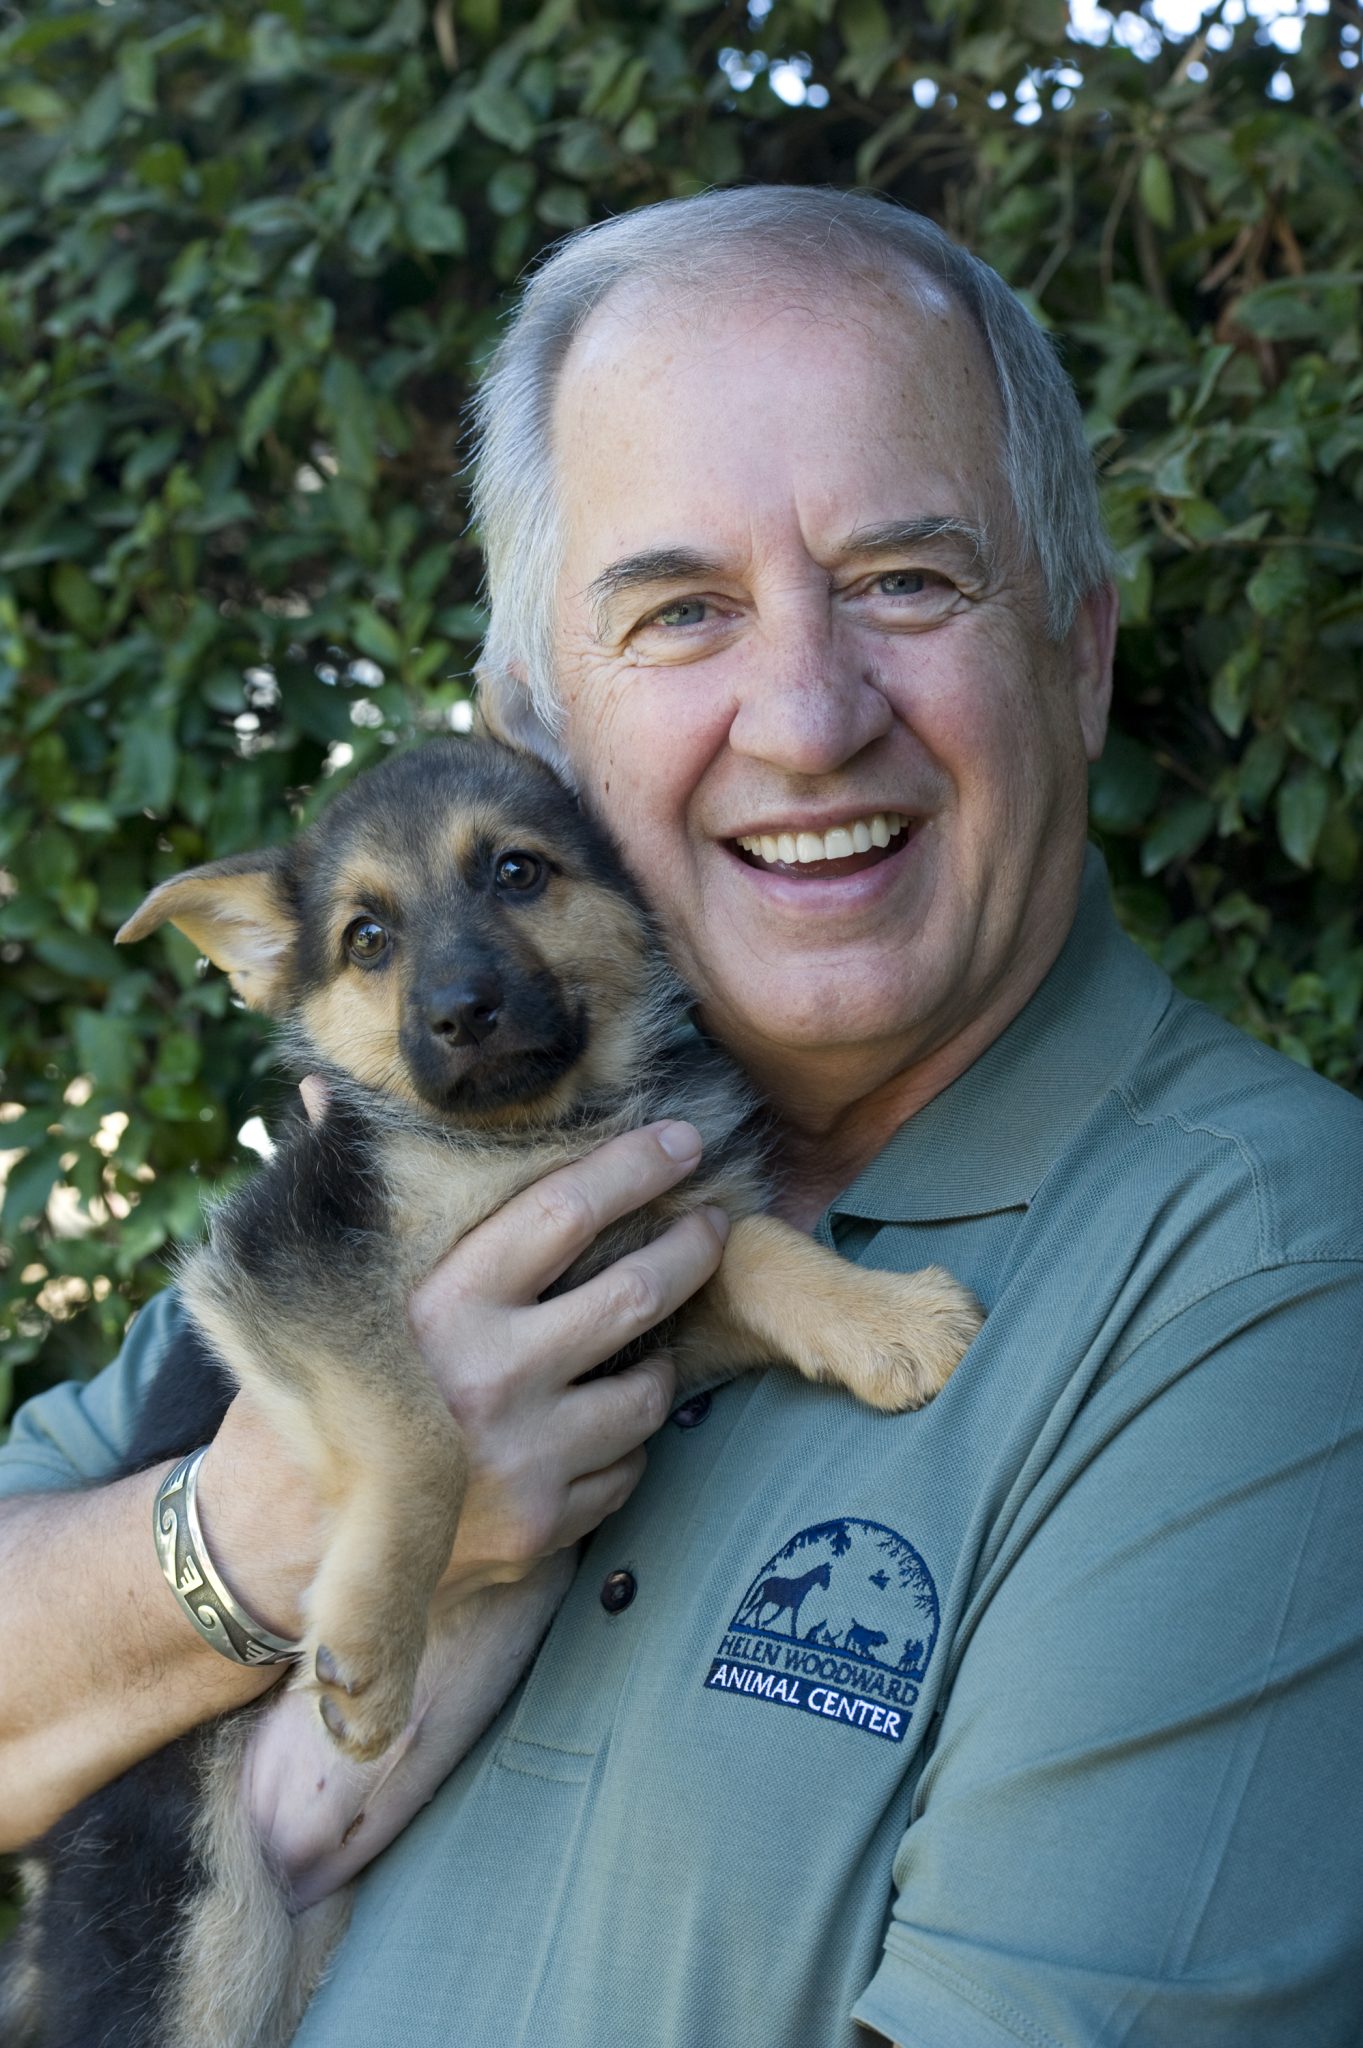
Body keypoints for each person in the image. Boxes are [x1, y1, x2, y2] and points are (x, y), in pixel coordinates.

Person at [2, 186, 1361, 2047]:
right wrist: (248, 1541)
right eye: (682, 609)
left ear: (1082, 654)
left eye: (909, 580)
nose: (806, 717)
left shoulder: (1264, 1280)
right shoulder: (422, 1166)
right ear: (536, 728)